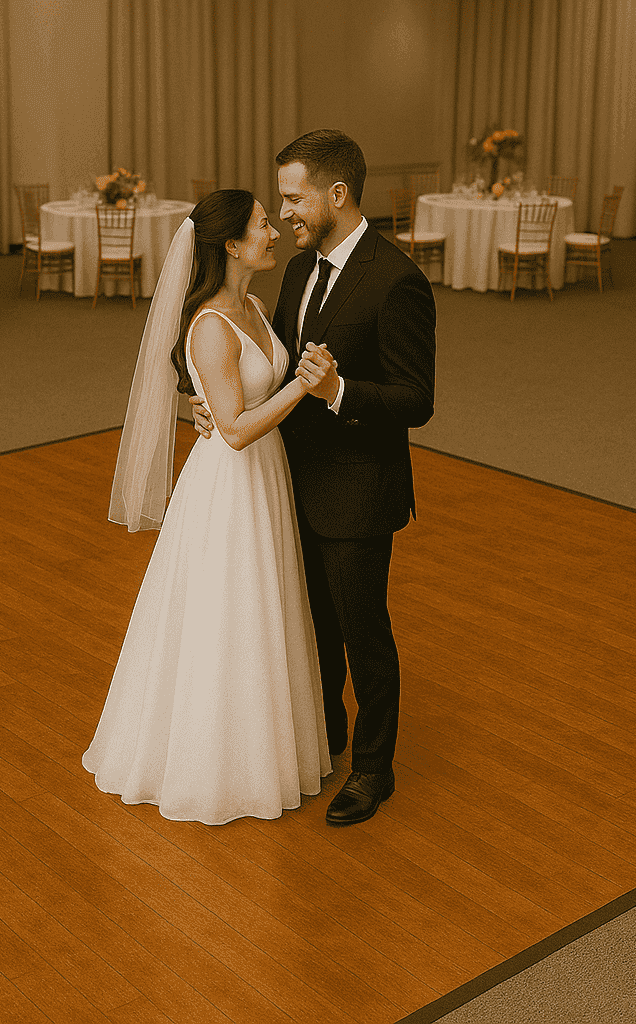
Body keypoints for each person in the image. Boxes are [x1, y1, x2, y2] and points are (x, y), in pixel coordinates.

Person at [192, 130, 436, 825]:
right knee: (313, 626)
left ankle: (372, 769)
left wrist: (337, 391)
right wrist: (207, 401)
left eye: (294, 198)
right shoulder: (298, 270)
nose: (284, 211)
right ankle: (324, 737)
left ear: (336, 195)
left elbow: (417, 399)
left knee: (364, 634)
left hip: (359, 489)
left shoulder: (397, 281)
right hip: (285, 482)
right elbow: (261, 358)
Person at [82, 189, 336, 825]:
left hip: (264, 478)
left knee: (262, 609)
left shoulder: (251, 304)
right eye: (260, 225)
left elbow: (224, 401)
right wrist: (305, 386)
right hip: (231, 483)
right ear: (230, 244)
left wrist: (202, 403)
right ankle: (214, 767)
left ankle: (267, 750)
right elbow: (236, 429)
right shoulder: (209, 324)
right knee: (226, 614)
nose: (274, 232)